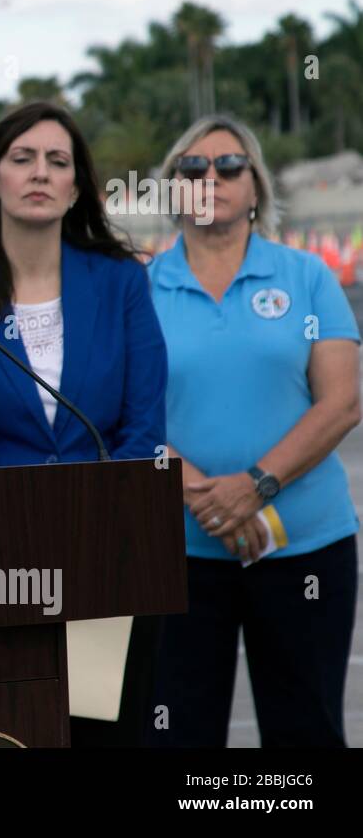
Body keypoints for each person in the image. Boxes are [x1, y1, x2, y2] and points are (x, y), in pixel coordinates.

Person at [0, 101, 167, 746]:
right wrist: (17, 535)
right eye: (22, 159)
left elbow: (142, 430)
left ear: (76, 187)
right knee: (10, 732)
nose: (40, 173)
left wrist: (92, 529)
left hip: (110, 555)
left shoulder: (121, 282)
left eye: (58, 162)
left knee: (107, 733)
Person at [147, 115, 360, 747]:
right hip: (178, 555)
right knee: (179, 736)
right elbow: (125, 415)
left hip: (304, 549)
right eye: (192, 167)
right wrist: (207, 498)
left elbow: (342, 402)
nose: (210, 177)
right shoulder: (139, 287)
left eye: (229, 166)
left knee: (307, 733)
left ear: (256, 188)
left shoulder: (307, 277)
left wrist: (255, 485)